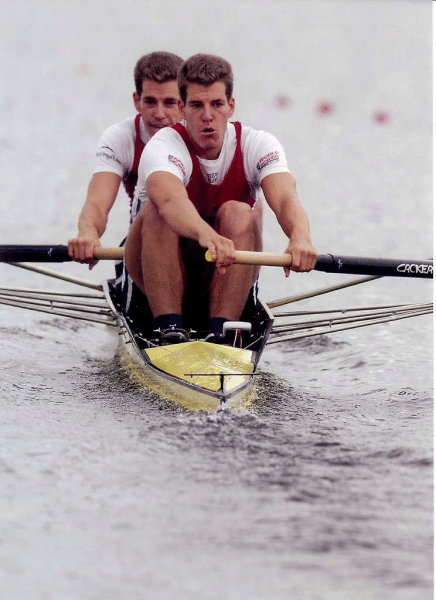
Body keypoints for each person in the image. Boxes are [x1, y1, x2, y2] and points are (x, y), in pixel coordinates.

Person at [125, 53, 318, 344]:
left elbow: (285, 198)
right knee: (156, 212)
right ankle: (168, 328)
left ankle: (222, 333)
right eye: (196, 105)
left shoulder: (258, 144)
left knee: (240, 212)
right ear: (182, 107)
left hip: (227, 272)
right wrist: (206, 234)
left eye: (216, 104)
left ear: (231, 106)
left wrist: (300, 237)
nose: (207, 115)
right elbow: (169, 201)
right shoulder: (163, 145)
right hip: (155, 274)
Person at [68, 51, 184, 267]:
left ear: (184, 103)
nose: (159, 114)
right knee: (157, 211)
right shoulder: (121, 138)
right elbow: (97, 203)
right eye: (150, 102)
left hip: (201, 251)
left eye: (169, 103)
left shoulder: (204, 135)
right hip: (145, 247)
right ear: (136, 101)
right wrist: (88, 232)